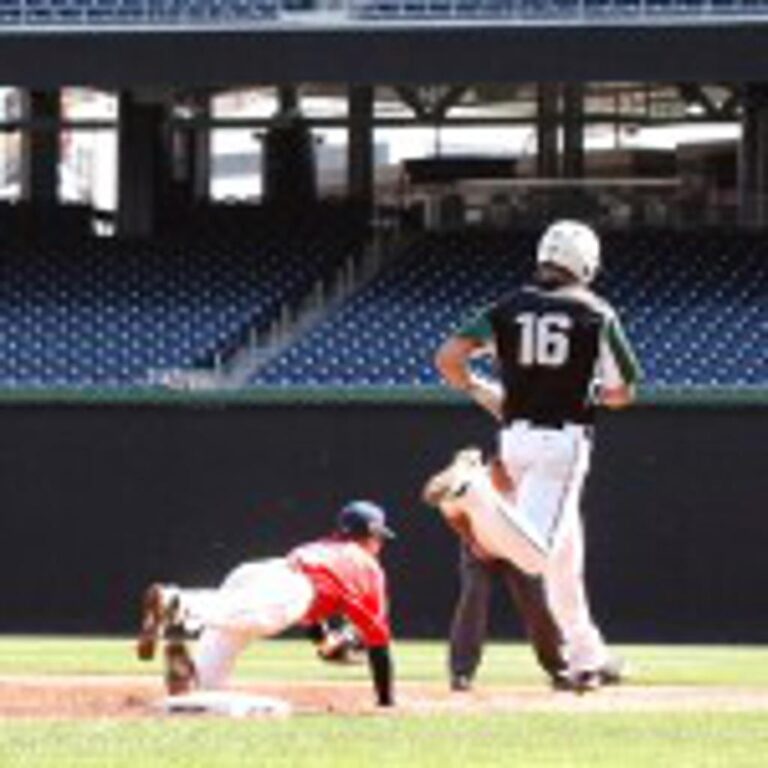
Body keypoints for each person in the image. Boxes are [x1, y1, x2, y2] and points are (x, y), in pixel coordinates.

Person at [427, 219, 642, 691]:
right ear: (584, 262)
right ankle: (475, 492)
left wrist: (480, 388)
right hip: (562, 441)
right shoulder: (596, 312)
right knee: (536, 558)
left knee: (566, 561)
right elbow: (624, 391)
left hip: (514, 435)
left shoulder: (507, 307)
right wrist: (588, 393)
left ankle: (587, 656)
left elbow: (448, 357)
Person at [136, 500, 396, 708]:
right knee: (242, 614)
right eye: (380, 537)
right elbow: (379, 644)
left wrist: (325, 643)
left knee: (212, 676)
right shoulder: (370, 569)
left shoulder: (324, 546)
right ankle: (176, 602)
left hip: (263, 571)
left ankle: (188, 680)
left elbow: (313, 614)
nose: (381, 543)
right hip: (290, 590)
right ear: (371, 534)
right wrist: (386, 700)